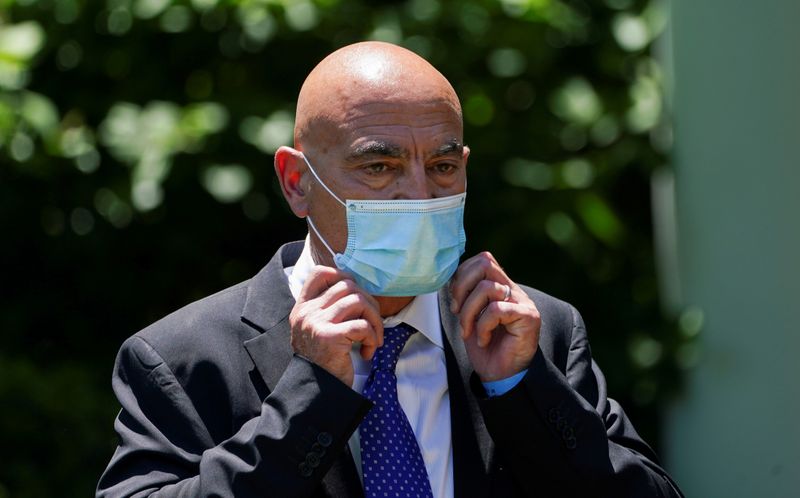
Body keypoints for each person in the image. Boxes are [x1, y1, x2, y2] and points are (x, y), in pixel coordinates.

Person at [96, 41, 683, 498]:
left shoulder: (535, 333)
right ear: (297, 183)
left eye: (444, 165)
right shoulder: (183, 357)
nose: (419, 195)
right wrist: (309, 397)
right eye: (379, 166)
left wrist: (521, 386)